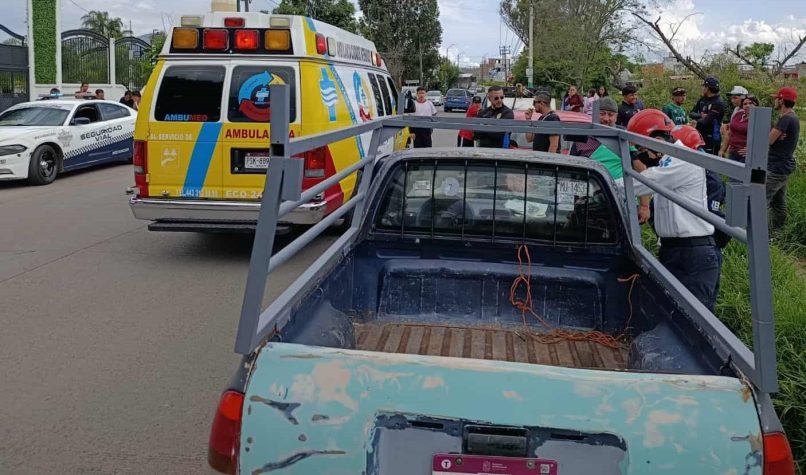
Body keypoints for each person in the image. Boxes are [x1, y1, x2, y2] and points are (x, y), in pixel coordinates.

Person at [628, 109, 720, 312]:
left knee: (694, 319)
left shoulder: (681, 161)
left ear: (657, 141)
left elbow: (639, 183)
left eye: (641, 148)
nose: (641, 155)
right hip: (674, 250)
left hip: (692, 254)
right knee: (672, 313)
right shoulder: (667, 161)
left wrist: (600, 184)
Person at [767, 87, 800, 232]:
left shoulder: (786, 118)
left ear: (781, 100)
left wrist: (772, 134)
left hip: (776, 167)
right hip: (783, 166)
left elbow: (769, 140)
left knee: (760, 200)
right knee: (778, 202)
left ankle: (758, 234)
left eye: (776, 98)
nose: (774, 101)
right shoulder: (793, 117)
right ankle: (778, 232)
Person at [570, 97, 624, 186]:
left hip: (620, 191)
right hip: (589, 189)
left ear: (616, 117)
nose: (606, 118)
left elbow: (639, 170)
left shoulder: (624, 138)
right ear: (594, 115)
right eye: (602, 114)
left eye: (610, 115)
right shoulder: (582, 138)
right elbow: (571, 169)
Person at [689, 76, 726, 155]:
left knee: (709, 160)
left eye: (704, 86)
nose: (702, 88)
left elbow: (706, 121)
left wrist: (695, 122)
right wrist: (701, 116)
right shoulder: (703, 99)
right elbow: (691, 113)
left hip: (712, 138)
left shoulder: (718, 103)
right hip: (699, 135)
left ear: (707, 88)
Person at [719, 95, 758, 162]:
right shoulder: (738, 115)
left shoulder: (759, 119)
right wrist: (722, 150)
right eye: (745, 104)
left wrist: (753, 150)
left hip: (746, 155)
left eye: (751, 103)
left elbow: (765, 139)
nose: (748, 105)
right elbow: (729, 133)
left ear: (756, 105)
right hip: (733, 152)